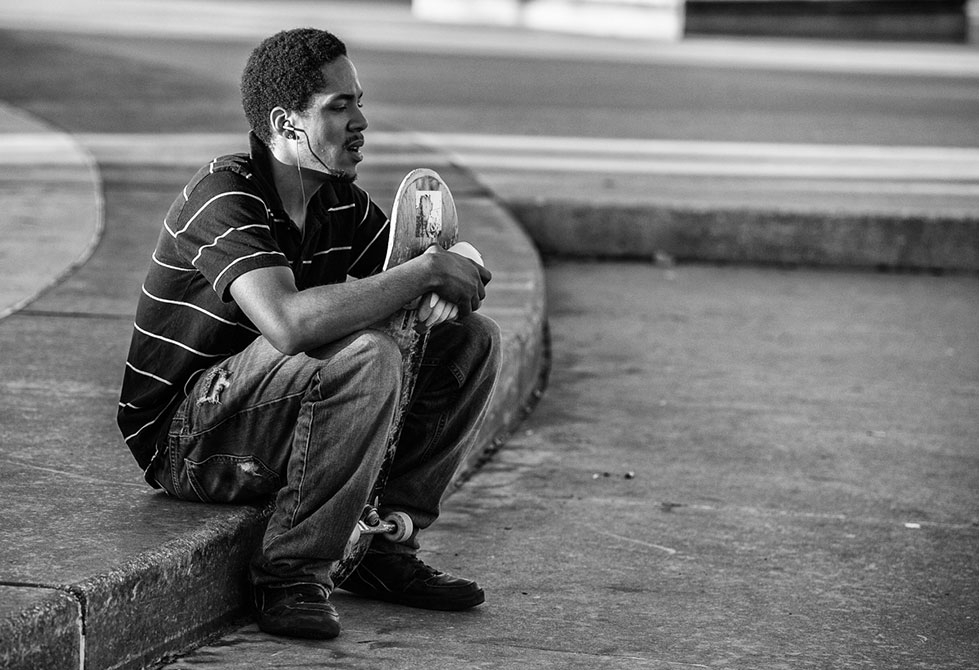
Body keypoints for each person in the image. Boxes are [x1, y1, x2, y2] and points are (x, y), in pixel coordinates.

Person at [116, 27, 501, 640]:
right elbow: (289, 323)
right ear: (287, 123)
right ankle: (290, 573)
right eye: (339, 106)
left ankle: (382, 548)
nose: (360, 122)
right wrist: (424, 272)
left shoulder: (338, 202)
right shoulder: (224, 196)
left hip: (269, 416)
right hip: (187, 443)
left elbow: (410, 276)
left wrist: (456, 267)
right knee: (368, 356)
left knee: (472, 341)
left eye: (360, 102)